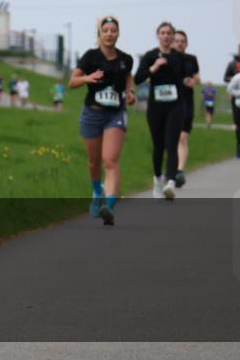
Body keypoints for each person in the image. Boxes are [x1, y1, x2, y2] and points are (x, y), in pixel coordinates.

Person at [68, 16, 135, 226]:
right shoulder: (90, 57)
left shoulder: (126, 59)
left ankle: (110, 207)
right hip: (92, 113)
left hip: (115, 114)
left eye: (113, 30)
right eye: (105, 30)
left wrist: (130, 91)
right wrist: (87, 78)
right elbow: (72, 82)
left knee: (110, 161)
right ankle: (97, 190)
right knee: (94, 162)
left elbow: (128, 77)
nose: (109, 33)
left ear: (118, 33)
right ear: (99, 34)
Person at [134, 21, 185, 200]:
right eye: (162, 33)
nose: (166, 36)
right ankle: (157, 179)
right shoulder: (149, 56)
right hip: (156, 106)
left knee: (172, 144)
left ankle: (170, 182)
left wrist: (188, 82)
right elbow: (138, 78)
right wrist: (154, 68)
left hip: (175, 105)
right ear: (158, 36)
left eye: (169, 33)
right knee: (158, 146)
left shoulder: (179, 57)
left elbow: (186, 79)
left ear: (173, 36)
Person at [171, 30, 199, 188]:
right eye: (177, 40)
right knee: (171, 138)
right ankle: (171, 169)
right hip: (170, 101)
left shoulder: (191, 59)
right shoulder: (168, 58)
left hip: (186, 101)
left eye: (182, 41)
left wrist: (192, 81)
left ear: (186, 43)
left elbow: (197, 77)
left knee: (182, 137)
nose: (179, 43)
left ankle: (179, 171)